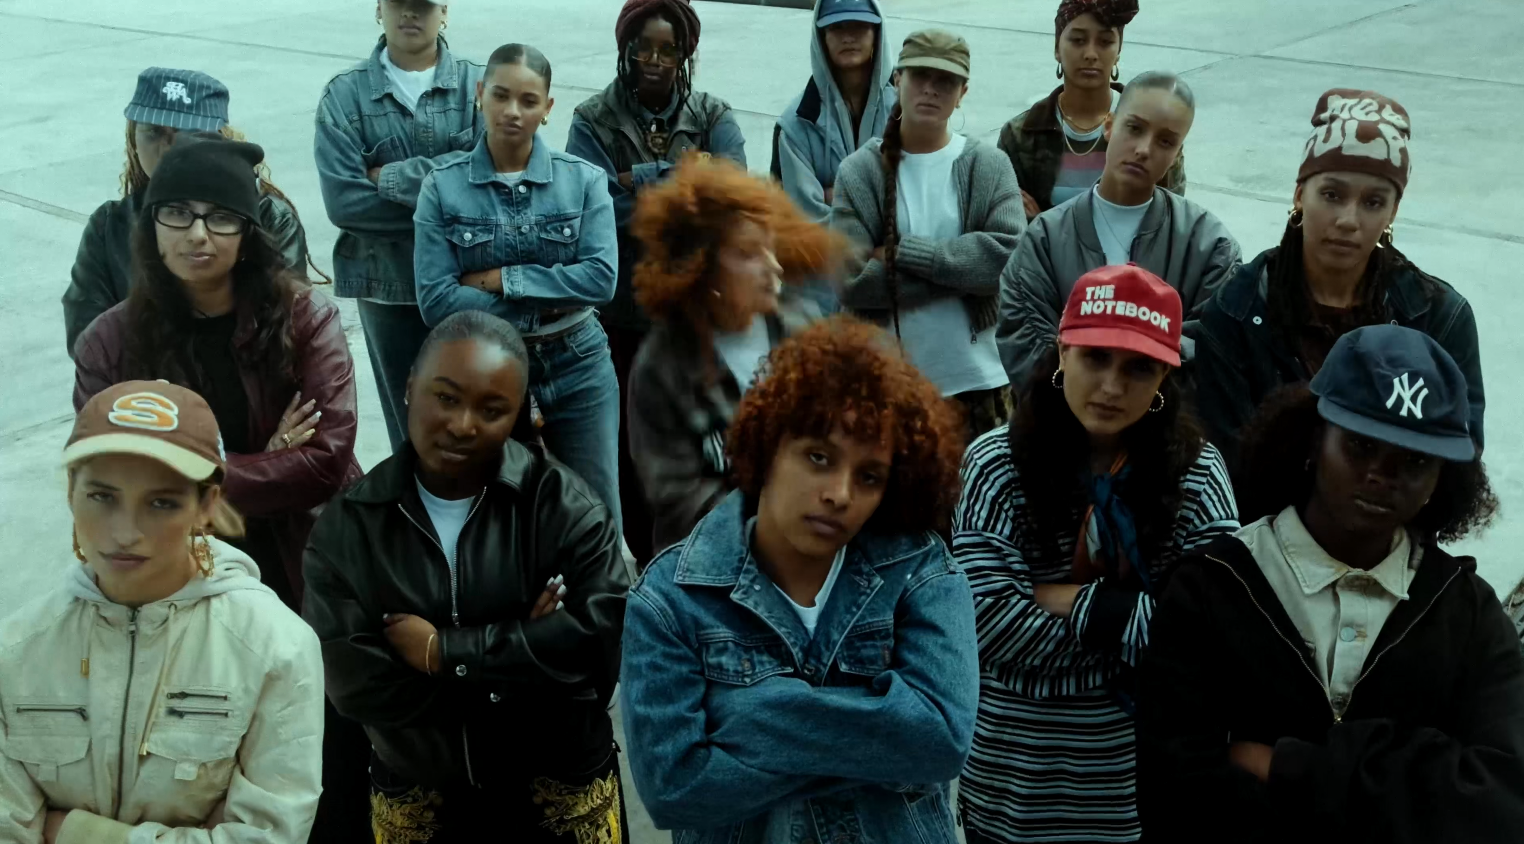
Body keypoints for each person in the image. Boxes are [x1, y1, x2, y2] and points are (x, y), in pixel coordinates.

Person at [1137, 325, 1522, 843]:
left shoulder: (1470, 615)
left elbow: (1503, 803)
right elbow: (1175, 800)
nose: (1381, 474)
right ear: (1314, 439)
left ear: (1442, 479)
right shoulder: (1210, 587)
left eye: (1415, 460)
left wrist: (1295, 768)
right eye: (1361, 445)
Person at [621, 316, 979, 842]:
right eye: (818, 457)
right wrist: (881, 739)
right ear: (766, 449)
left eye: (869, 476)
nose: (839, 492)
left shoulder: (921, 572)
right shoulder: (670, 599)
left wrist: (740, 715)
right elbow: (674, 788)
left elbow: (942, 740)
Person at [303, 311, 631, 843]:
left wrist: (442, 654)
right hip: (424, 799)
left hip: (560, 793)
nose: (462, 424)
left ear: (516, 415)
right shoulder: (350, 528)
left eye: (491, 408)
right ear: (409, 387)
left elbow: (598, 656)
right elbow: (355, 687)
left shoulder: (564, 508)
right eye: (446, 397)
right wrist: (527, 655)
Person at [954, 265, 1239, 843]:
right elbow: (981, 623)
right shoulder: (995, 463)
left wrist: (1078, 605)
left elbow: (1216, 636)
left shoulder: (1198, 474)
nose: (1112, 386)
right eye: (1095, 358)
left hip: (1135, 790)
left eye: (1139, 368)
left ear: (1166, 376)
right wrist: (1134, 620)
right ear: (1061, 352)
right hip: (1013, 783)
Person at [0, 381, 323, 843]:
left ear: (206, 506)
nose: (126, 532)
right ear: (70, 491)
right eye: (102, 496)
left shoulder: (276, 648)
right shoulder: (14, 650)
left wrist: (73, 831)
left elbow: (268, 837)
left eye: (161, 503)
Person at [73, 133, 359, 612]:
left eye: (221, 217)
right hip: (175, 564)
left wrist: (184, 477)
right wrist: (266, 460)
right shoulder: (108, 344)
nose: (198, 234)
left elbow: (324, 463)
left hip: (306, 550)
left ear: (248, 232)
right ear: (152, 224)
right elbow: (108, 475)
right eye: (178, 212)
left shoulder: (305, 318)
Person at [1190, 89, 1483, 471]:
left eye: (1373, 202)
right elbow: (1230, 469)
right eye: (1331, 194)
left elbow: (1459, 459)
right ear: (1299, 195)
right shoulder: (1236, 313)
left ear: (1393, 211)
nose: (1348, 219)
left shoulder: (1440, 318)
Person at [414, 43, 623, 528]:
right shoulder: (442, 187)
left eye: (529, 101)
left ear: (548, 110)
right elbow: (437, 300)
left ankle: (605, 602)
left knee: (597, 510)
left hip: (578, 362)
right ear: (480, 95)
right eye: (501, 96)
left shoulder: (586, 181)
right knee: (496, 516)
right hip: (484, 371)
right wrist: (539, 306)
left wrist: (501, 281)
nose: (513, 111)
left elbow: (600, 279)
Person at [567, 0, 746, 563]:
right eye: (642, 46)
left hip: (694, 318)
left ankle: (702, 564)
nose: (654, 59)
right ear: (625, 48)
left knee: (697, 450)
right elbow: (593, 208)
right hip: (622, 318)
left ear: (684, 54)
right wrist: (686, 179)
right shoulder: (591, 119)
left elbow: (729, 197)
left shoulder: (714, 114)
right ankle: (649, 568)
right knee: (630, 457)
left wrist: (637, 178)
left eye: (668, 49)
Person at [627, 156, 835, 555]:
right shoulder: (662, 365)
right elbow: (676, 494)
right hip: (706, 568)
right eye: (748, 253)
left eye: (771, 249)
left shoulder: (802, 329)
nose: (772, 267)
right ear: (700, 267)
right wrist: (785, 518)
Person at [831, 28, 1024, 439]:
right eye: (920, 76)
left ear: (963, 91)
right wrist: (962, 274)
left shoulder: (988, 165)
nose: (931, 90)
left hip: (978, 381)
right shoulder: (859, 171)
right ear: (897, 79)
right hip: (884, 384)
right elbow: (850, 282)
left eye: (946, 81)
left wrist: (904, 254)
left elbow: (1005, 260)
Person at [996, 71, 1239, 389]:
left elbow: (1213, 348)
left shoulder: (1209, 246)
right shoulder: (1045, 239)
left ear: (1178, 152)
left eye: (1165, 141)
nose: (1143, 149)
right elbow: (1025, 342)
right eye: (1134, 128)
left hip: (1164, 432)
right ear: (1108, 126)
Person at [315, 0, 484, 450]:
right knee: (410, 432)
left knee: (476, 424)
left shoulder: (480, 87)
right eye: (398, 4)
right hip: (387, 288)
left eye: (423, 5)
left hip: (467, 284)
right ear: (379, 10)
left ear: (444, 11)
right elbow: (345, 202)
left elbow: (493, 175)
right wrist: (448, 196)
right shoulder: (343, 96)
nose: (410, 13)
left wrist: (388, 178)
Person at [63, 67, 317, 356]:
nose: (170, 148)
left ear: (221, 136)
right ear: (133, 140)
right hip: (146, 395)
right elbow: (89, 341)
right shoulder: (108, 226)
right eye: (153, 132)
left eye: (187, 132)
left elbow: (286, 326)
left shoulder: (269, 218)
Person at [1000, 0, 1186, 221]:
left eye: (1105, 42)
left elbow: (1166, 219)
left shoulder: (1152, 128)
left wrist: (1046, 224)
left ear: (1118, 52)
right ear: (1057, 48)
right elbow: (1009, 225)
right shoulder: (1022, 135)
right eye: (1078, 40)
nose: (1090, 53)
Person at [771, 0, 895, 223]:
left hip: (894, 256)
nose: (847, 37)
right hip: (827, 256)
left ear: (876, 32)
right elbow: (804, 217)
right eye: (836, 27)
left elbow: (919, 197)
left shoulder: (904, 110)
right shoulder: (796, 124)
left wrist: (835, 195)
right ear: (821, 38)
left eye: (858, 25)